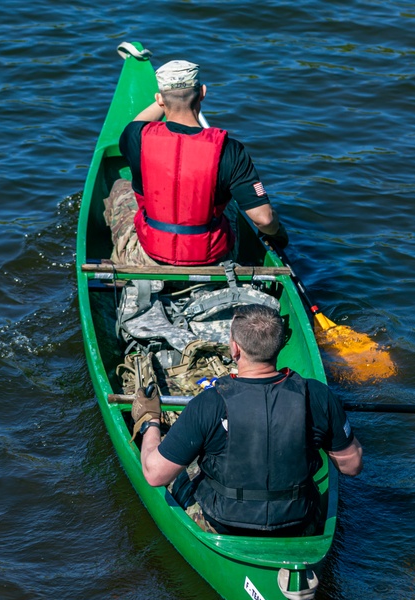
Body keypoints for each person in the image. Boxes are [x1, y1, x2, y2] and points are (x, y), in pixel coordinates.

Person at [132, 304, 363, 536]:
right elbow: (351, 466)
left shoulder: (209, 402)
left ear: (234, 349)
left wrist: (150, 422)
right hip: (298, 522)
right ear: (282, 343)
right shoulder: (318, 395)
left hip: (223, 523)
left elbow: (155, 475)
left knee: (180, 466)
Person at [107, 59, 289, 267]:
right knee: (229, 204)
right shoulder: (229, 149)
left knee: (120, 187)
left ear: (159, 100)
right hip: (213, 260)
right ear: (202, 92)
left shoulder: (136, 137)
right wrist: (279, 233)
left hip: (149, 256)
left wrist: (164, 99)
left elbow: (138, 123)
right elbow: (263, 219)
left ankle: (119, 259)